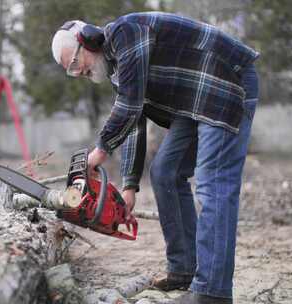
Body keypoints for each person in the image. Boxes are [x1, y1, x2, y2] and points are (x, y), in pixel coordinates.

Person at [51, 12, 259, 304]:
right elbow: (134, 120)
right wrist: (129, 186)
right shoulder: (117, 68)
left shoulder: (126, 33)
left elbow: (130, 104)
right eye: (71, 71)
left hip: (224, 82)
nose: (78, 72)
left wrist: (100, 150)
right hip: (194, 100)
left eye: (75, 63)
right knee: (164, 173)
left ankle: (213, 292)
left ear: (88, 39)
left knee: (213, 183)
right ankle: (184, 269)